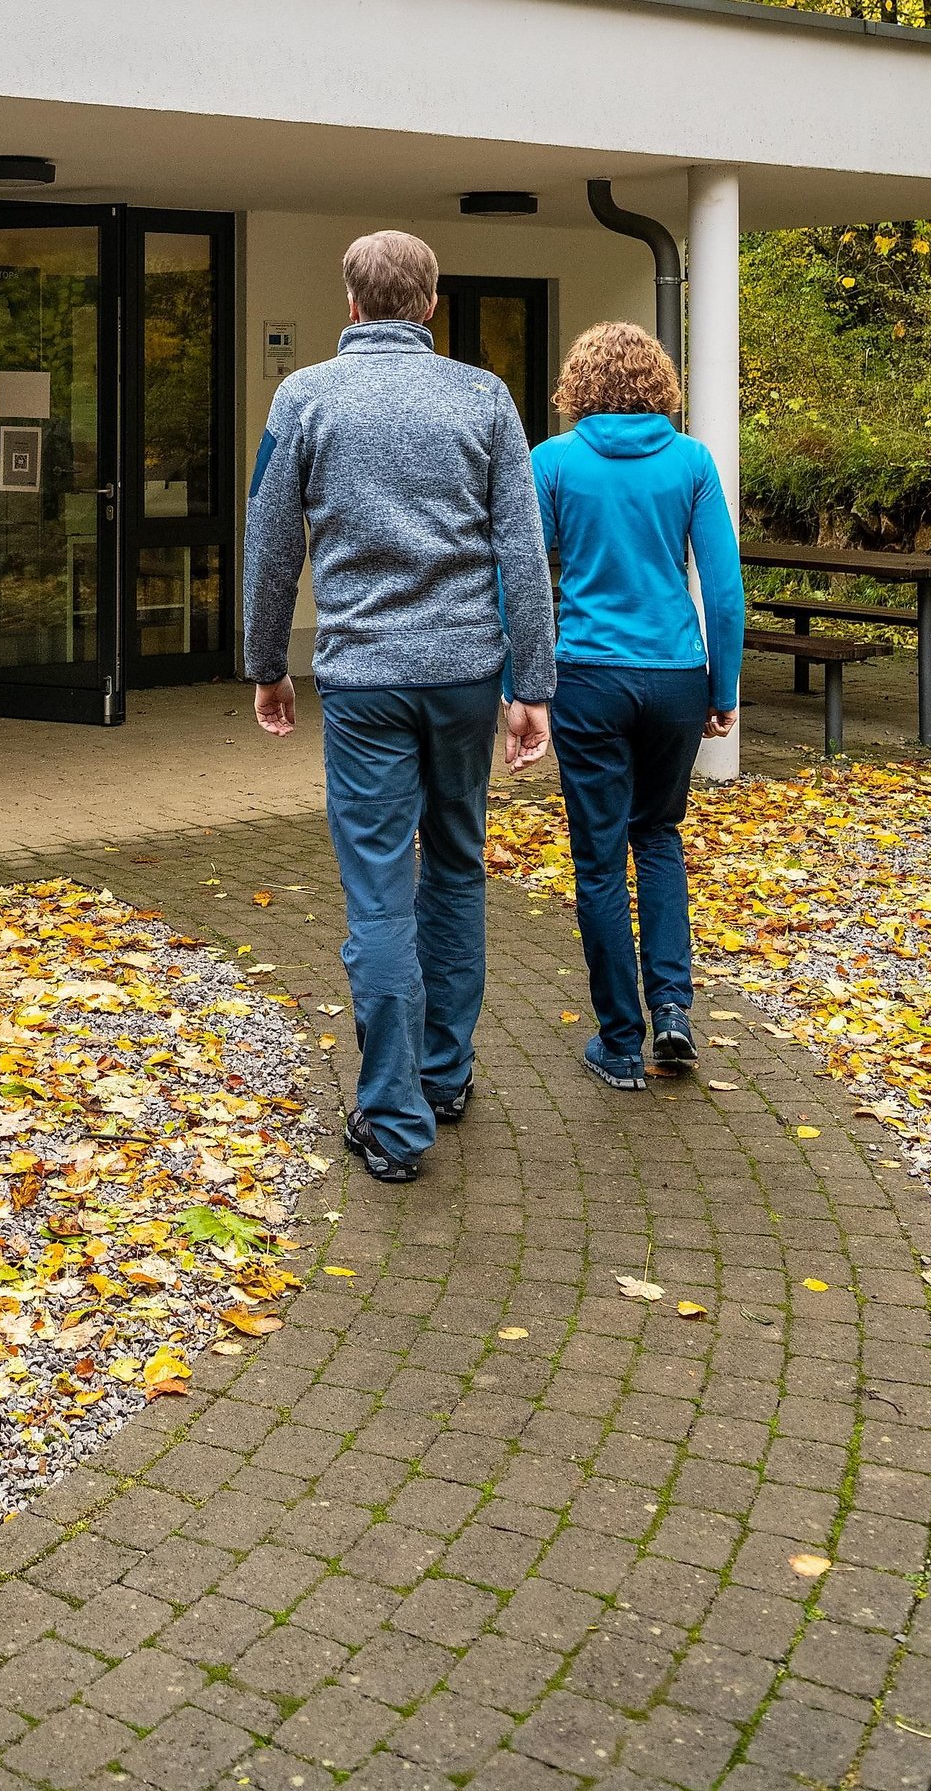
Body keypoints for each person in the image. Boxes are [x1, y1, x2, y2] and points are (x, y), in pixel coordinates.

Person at [244, 230, 557, 1184]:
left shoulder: (304, 398)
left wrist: (267, 663)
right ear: (430, 305)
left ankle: (393, 1119)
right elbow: (522, 551)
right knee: (457, 866)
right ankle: (444, 1074)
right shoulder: (483, 397)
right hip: (465, 674)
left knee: (380, 886)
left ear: (351, 304)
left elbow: (268, 541)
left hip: (365, 681)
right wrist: (530, 684)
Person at [531, 321, 743, 1092]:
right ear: (660, 383)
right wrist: (723, 688)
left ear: (577, 386)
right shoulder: (691, 462)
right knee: (657, 836)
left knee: (597, 862)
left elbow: (521, 579)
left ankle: (620, 1042)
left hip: (588, 676)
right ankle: (675, 1013)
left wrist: (520, 687)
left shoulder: (552, 461)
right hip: (677, 676)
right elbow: (722, 585)